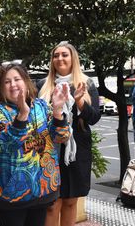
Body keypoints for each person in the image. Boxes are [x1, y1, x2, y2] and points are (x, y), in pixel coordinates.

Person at [0, 63, 70, 226]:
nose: (13, 84)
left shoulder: (41, 106)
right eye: (7, 82)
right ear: (1, 87)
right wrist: (22, 116)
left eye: (17, 79)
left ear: (26, 81)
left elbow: (61, 136)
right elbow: (2, 145)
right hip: (13, 195)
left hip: (43, 190)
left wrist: (58, 110)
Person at [38, 41, 101, 226]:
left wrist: (80, 102)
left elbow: (94, 118)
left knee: (71, 201)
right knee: (51, 204)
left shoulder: (86, 83)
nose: (60, 58)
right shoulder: (43, 85)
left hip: (77, 150)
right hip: (50, 151)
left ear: (73, 58)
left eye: (64, 54)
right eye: (56, 55)